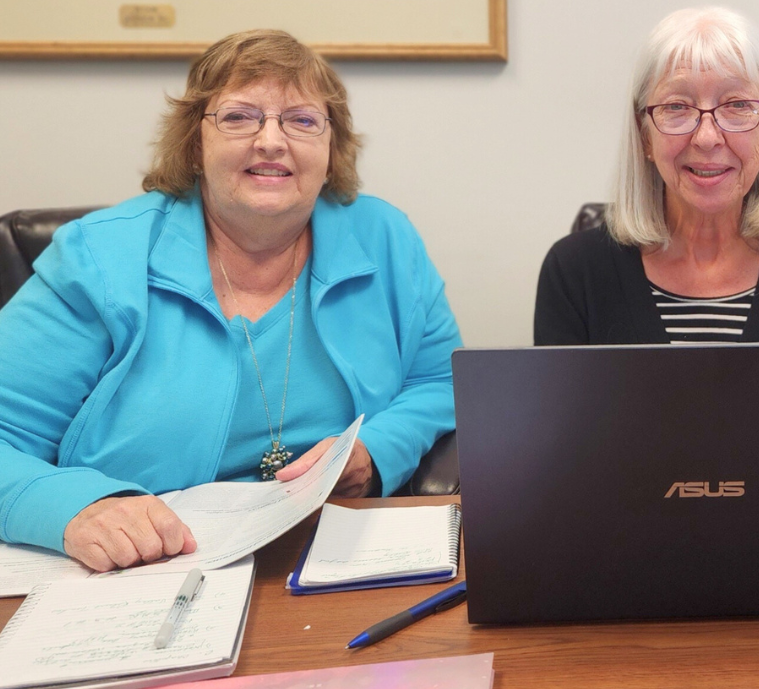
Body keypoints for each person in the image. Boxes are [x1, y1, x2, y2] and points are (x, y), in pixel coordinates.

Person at [0, 30, 462, 570]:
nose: (272, 140)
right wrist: (76, 509)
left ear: (330, 146)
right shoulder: (100, 258)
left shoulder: (384, 237)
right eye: (240, 117)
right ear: (195, 143)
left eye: (302, 120)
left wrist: (376, 452)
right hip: (146, 568)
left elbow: (440, 380)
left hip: (328, 554)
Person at [535, 7, 759, 345]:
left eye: (737, 104)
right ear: (644, 135)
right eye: (677, 107)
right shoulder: (573, 274)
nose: (707, 138)